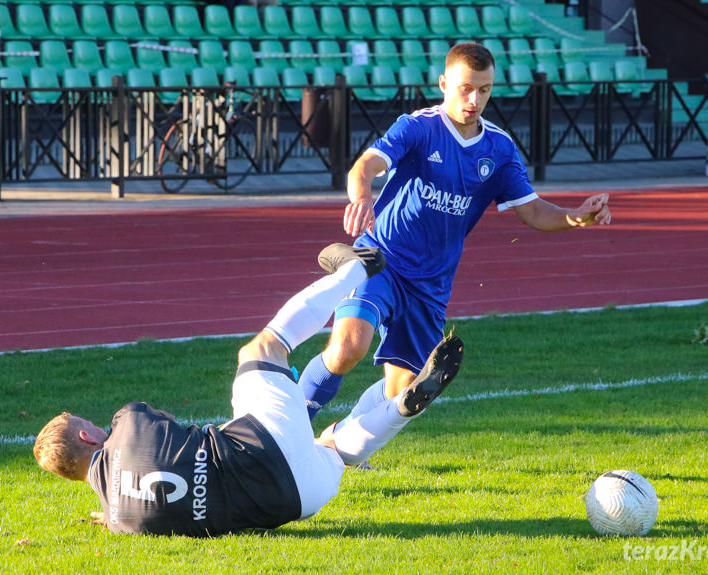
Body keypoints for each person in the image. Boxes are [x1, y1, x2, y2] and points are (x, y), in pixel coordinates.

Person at [33, 243, 464, 537]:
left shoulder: (122, 519)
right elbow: (174, 437)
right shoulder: (126, 423)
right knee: (262, 348)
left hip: (298, 500)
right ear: (87, 436)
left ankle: (398, 408)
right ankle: (351, 269)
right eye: (86, 424)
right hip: (262, 440)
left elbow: (132, 501)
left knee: (331, 446)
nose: (94, 424)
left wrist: (115, 509)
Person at [297, 42, 611, 421]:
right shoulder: (419, 127)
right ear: (444, 83)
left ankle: (336, 444)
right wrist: (361, 196)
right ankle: (289, 429)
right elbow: (364, 165)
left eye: (484, 89)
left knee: (404, 394)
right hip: (380, 259)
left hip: (431, 283)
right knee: (348, 347)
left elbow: (532, 211)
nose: (474, 99)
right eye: (465, 88)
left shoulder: (500, 149)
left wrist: (576, 216)